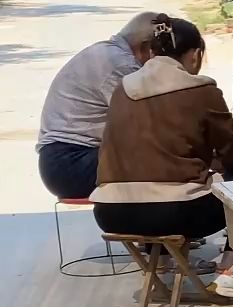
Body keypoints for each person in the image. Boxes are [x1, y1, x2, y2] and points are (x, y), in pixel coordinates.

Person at [92, 17, 233, 245]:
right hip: (178, 214)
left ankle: (163, 260)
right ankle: (231, 267)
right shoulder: (203, 90)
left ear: (150, 54)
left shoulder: (122, 89)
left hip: (110, 213)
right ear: (196, 55)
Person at [35, 12, 164, 200]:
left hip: (63, 161)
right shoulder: (122, 65)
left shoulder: (106, 52)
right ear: (146, 48)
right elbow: (150, 122)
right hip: (72, 163)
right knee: (167, 161)